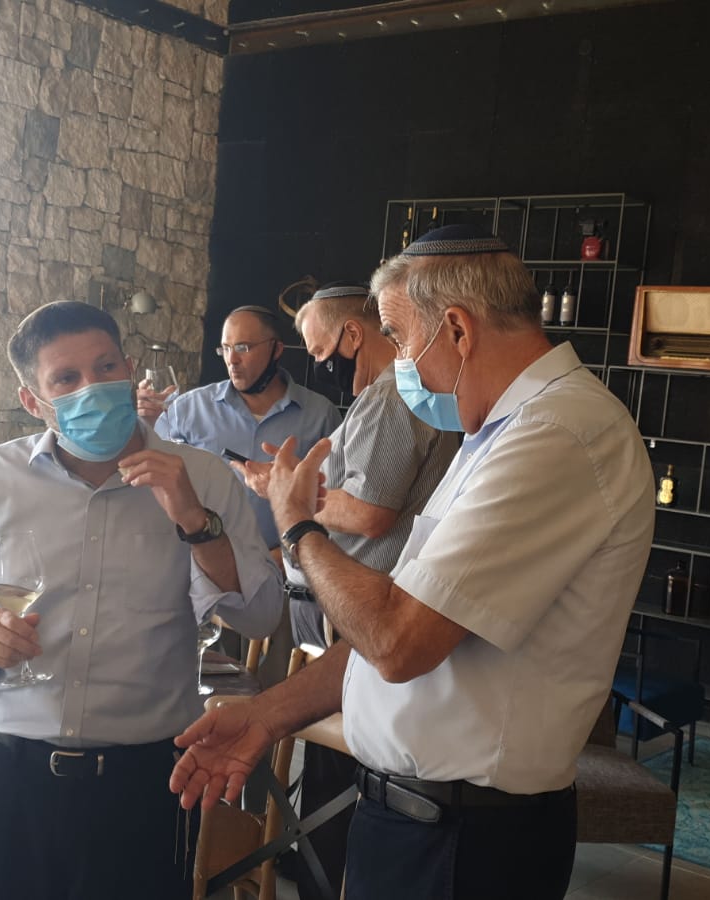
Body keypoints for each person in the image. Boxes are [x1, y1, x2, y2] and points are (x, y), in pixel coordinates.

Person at [169, 225, 656, 899]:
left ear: (456, 329)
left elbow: (397, 642)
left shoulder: (559, 434)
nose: (396, 363)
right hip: (425, 822)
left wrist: (299, 524)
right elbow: (406, 620)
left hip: (465, 839)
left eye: (397, 337)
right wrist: (265, 715)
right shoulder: (495, 434)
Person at [0, 300, 282, 900]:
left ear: (129, 369)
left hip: (149, 778)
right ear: (33, 400)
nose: (93, 387)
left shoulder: (203, 477)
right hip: (12, 774)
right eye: (66, 378)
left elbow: (261, 616)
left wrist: (195, 522)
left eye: (106, 366)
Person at [236, 281, 459, 899]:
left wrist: (289, 498)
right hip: (347, 613)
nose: (318, 365)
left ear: (353, 335)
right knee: (332, 776)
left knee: (339, 780)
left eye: (319, 351)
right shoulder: (393, 397)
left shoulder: (391, 397)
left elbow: (369, 513)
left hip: (357, 613)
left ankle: (319, 879)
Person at [139, 304, 342, 551]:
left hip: (285, 564)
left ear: (276, 349)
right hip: (201, 560)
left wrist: (287, 558)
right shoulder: (187, 409)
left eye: (243, 348)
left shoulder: (321, 415)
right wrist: (144, 423)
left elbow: (336, 502)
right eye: (225, 348)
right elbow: (146, 472)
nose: (232, 360)